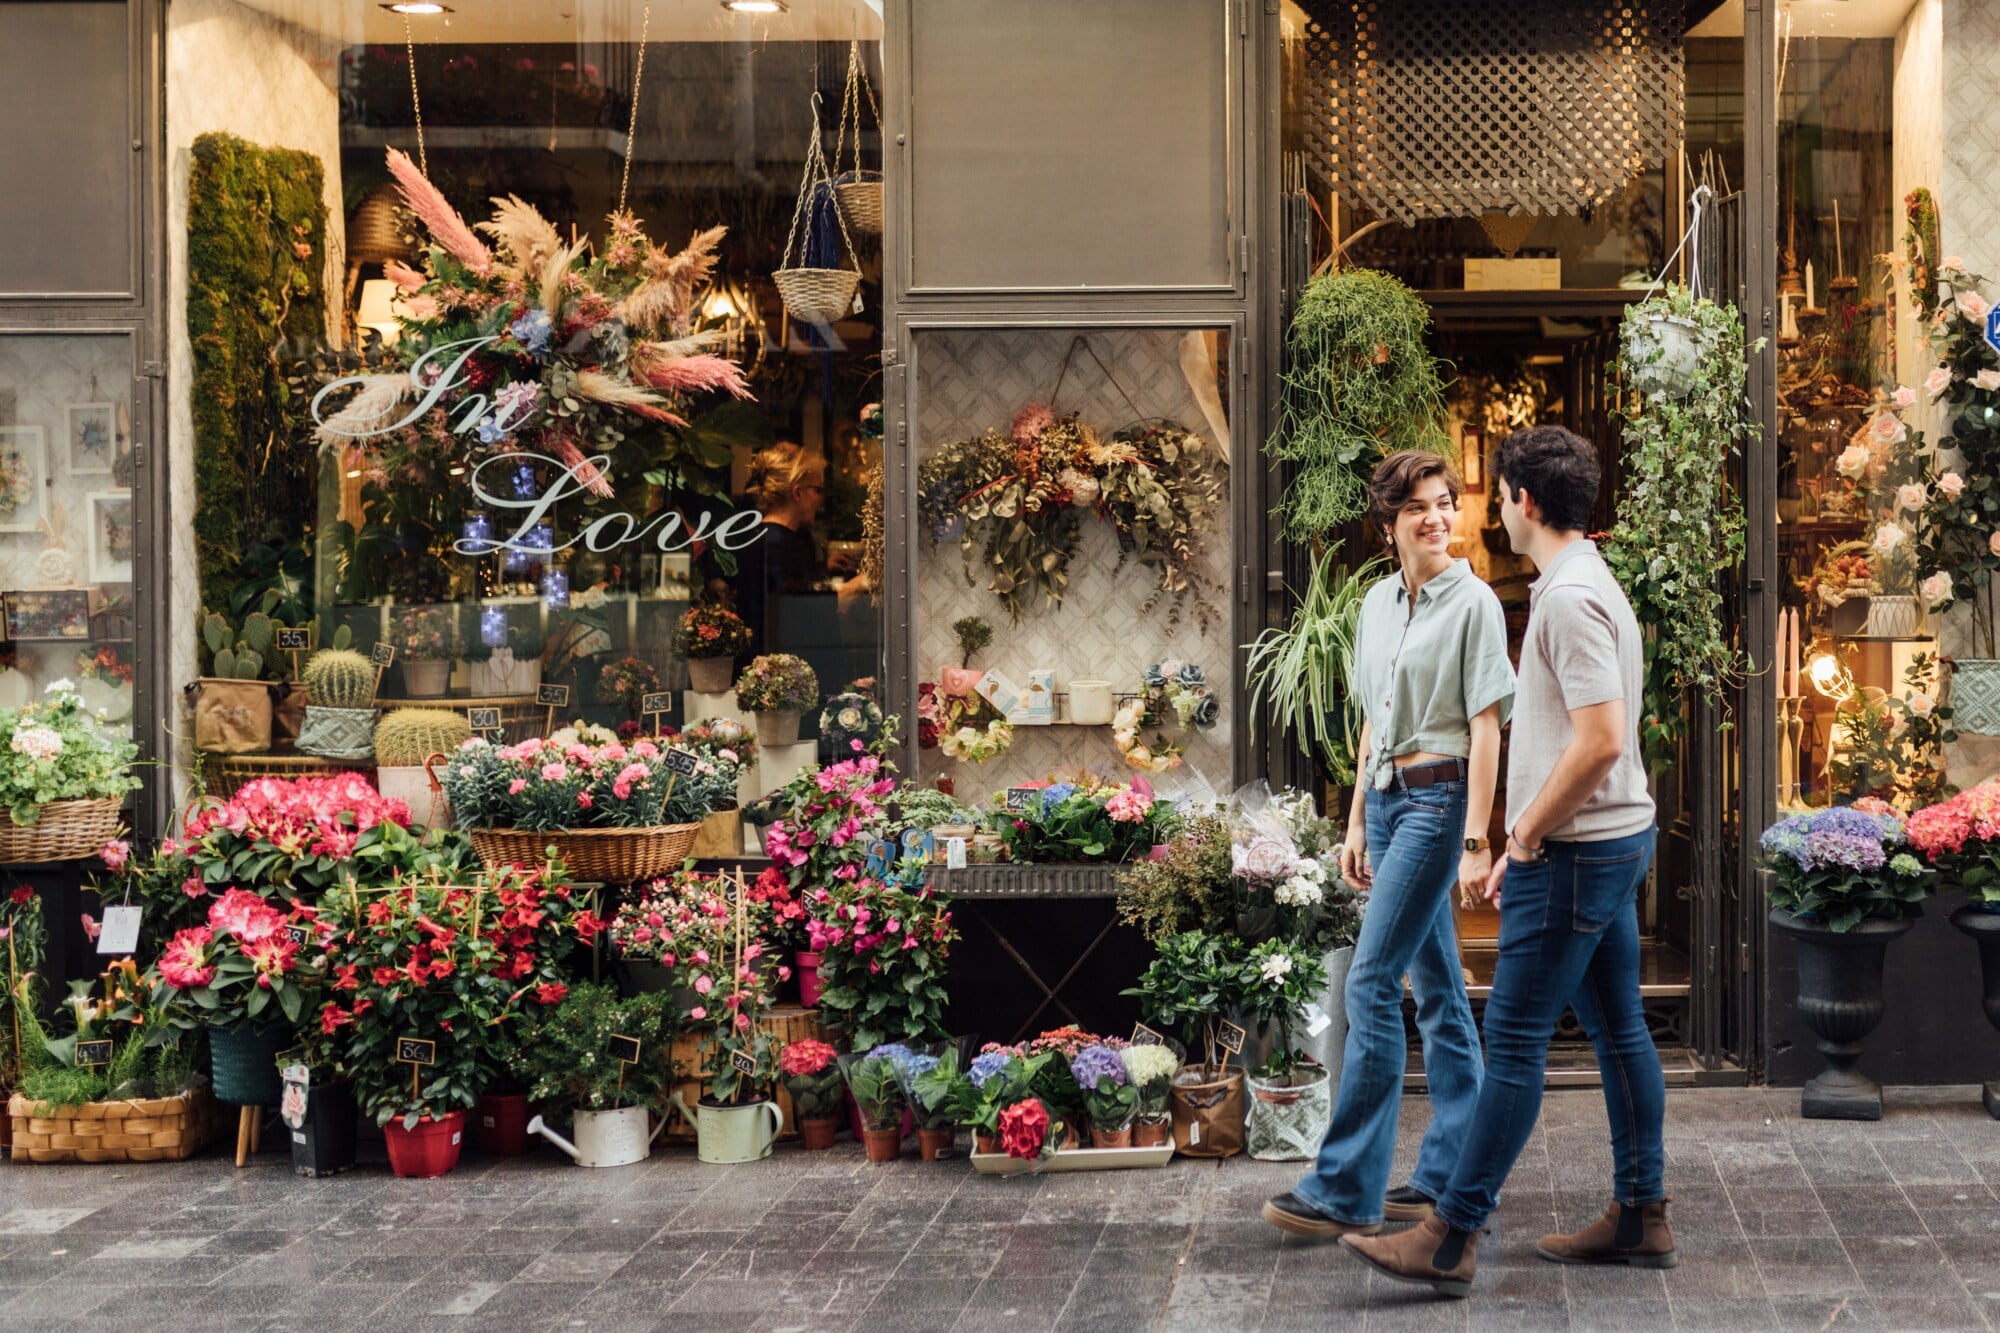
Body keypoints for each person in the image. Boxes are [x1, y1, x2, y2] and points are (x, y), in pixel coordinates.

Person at [1341, 424, 1670, 1298]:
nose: (1472, 513)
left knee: (1514, 1042)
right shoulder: (1586, 583)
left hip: (1572, 851)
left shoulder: (1565, 599)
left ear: (1522, 502)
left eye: (1487, 495)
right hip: (1607, 842)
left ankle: (1449, 1234)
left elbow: (1600, 740)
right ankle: (1642, 1208)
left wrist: (1519, 835)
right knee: (1617, 1027)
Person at [1261, 450, 1513, 1242]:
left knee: (1369, 982)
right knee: (1437, 990)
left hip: (1441, 801)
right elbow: (1374, 713)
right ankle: (1453, 1176)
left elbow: (1485, 726)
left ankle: (1345, 1186)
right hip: (1392, 800)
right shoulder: (1375, 604)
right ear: (1389, 525)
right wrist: (1358, 819)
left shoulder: (1474, 602)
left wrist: (1478, 838)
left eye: (1446, 503)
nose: (1438, 517)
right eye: (1418, 509)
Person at [733, 441, 867, 657]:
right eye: (818, 490)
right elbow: (798, 611)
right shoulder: (774, 543)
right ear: (797, 493)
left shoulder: (778, 538)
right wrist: (853, 588)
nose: (821, 499)